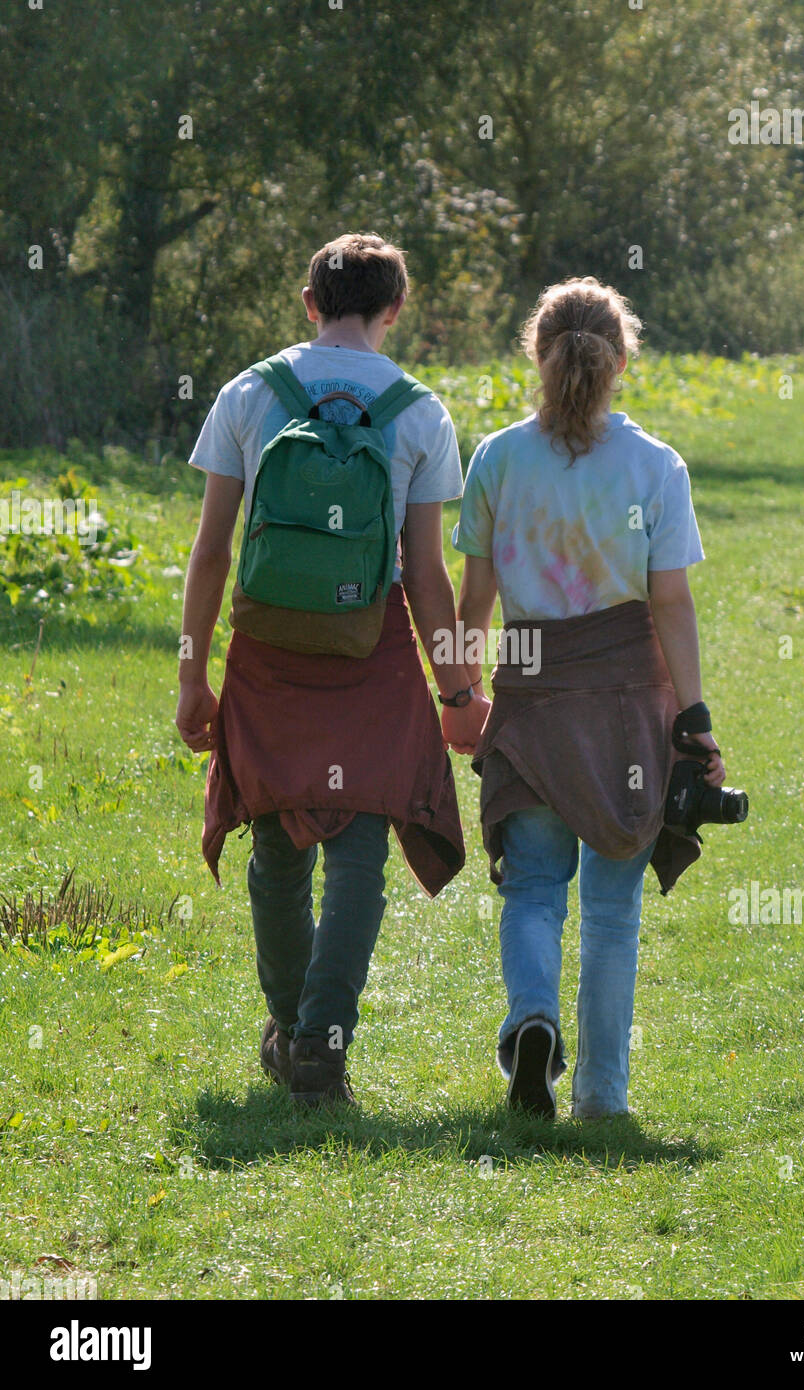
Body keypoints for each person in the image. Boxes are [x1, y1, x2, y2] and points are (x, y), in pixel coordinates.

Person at [176, 232, 489, 1107]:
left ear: (308, 303)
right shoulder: (420, 412)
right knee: (359, 845)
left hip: (270, 646)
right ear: (394, 310)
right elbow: (426, 576)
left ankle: (290, 1027)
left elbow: (210, 554)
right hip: (370, 643)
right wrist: (458, 690)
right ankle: (320, 1042)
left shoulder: (249, 392)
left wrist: (190, 675)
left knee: (276, 837)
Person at [451, 276, 727, 1120]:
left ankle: (531, 1019)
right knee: (611, 913)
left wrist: (460, 693)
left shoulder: (498, 457)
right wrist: (694, 720)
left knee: (533, 888)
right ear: (622, 360)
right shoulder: (655, 466)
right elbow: (670, 603)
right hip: (624, 711)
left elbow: (476, 602)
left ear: (538, 353)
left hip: (532, 702)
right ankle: (603, 1098)